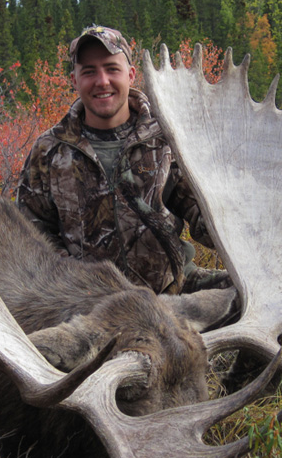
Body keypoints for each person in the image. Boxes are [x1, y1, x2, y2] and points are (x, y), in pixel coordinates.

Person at [16, 25, 228, 294]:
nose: (102, 81)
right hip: (89, 307)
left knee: (274, 301)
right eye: (89, 71)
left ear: (130, 75)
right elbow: (30, 237)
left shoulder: (168, 138)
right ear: (74, 80)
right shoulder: (49, 150)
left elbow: (205, 216)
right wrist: (72, 283)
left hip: (173, 292)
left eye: (111, 69)